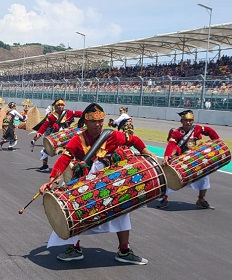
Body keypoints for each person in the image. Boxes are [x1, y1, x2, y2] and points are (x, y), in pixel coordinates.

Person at [39, 103, 156, 265]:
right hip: (86, 186)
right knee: (76, 213)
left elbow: (133, 140)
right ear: (86, 122)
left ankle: (124, 250)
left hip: (111, 184)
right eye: (94, 122)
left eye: (100, 121)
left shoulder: (112, 136)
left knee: (122, 213)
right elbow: (64, 159)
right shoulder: (77, 140)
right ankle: (74, 248)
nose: (98, 124)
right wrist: (51, 180)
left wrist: (146, 151)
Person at [157, 109, 221, 209]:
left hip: (194, 159)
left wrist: (217, 140)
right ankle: (164, 199)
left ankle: (201, 199)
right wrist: (166, 156)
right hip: (180, 159)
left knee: (204, 177)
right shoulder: (177, 132)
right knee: (170, 178)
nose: (188, 122)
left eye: (190, 120)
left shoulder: (197, 129)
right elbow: (171, 144)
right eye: (186, 120)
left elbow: (209, 130)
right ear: (181, 121)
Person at [32, 98, 82, 172]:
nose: (61, 107)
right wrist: (37, 135)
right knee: (45, 151)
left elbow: (81, 114)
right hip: (56, 138)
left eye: (62, 105)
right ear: (55, 106)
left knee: (69, 152)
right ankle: (45, 166)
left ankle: (71, 169)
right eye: (59, 105)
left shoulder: (69, 112)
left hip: (68, 136)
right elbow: (44, 126)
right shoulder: (51, 116)